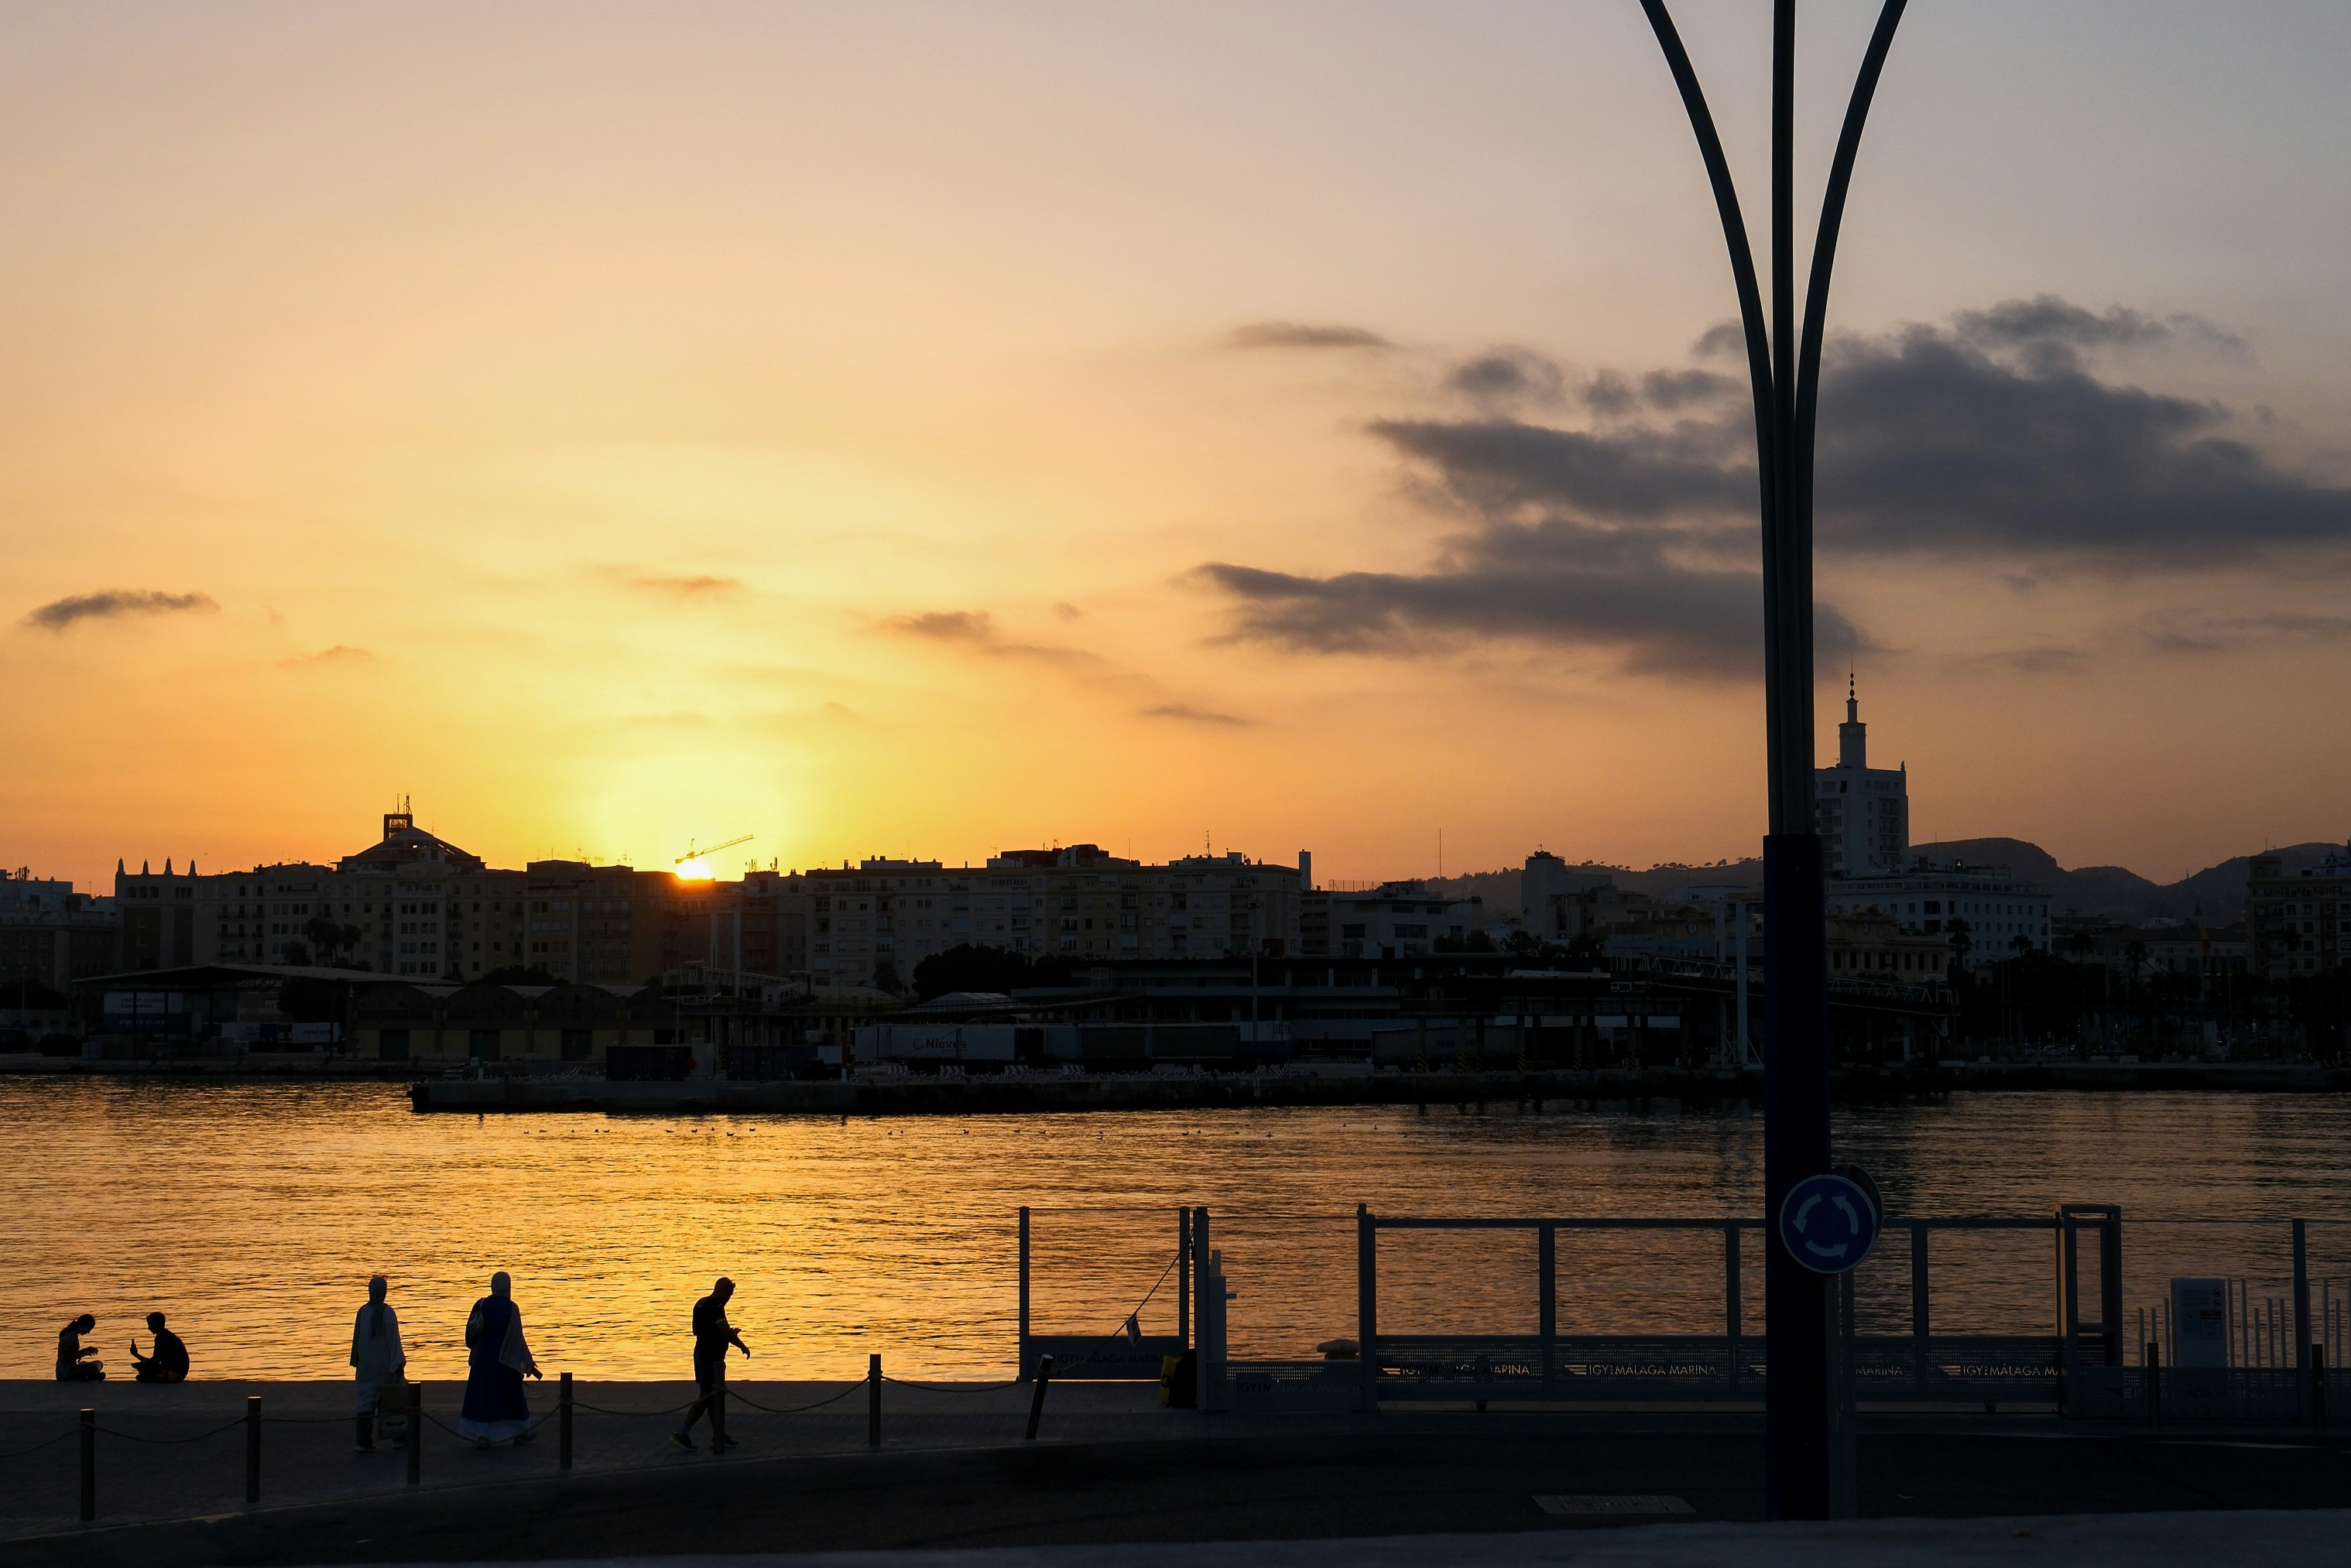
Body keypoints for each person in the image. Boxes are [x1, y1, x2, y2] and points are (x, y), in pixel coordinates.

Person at [458, 1272, 540, 1447]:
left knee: (482, 1398)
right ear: (508, 1287)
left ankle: (482, 1435)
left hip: (483, 1359)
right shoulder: (512, 1308)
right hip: (506, 1360)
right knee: (511, 1399)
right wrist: (528, 1361)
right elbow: (518, 1339)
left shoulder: (480, 1305)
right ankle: (519, 1432)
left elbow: (470, 1336)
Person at [672, 1277, 749, 1451]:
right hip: (711, 1357)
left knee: (715, 1397)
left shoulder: (700, 1303)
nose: (728, 1299)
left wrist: (724, 1333)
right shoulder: (716, 1307)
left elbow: (697, 1331)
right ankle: (681, 1434)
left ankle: (718, 1435)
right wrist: (741, 1345)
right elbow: (725, 1332)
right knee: (707, 1396)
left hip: (701, 1352)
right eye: (729, 1295)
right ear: (723, 1292)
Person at [350, 1276, 406, 1453]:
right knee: (391, 1402)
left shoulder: (362, 1312)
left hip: (365, 1367)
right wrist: (398, 1364)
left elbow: (357, 1341)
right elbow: (394, 1340)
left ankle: (363, 1441)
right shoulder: (387, 1312)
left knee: (365, 1402)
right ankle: (398, 1437)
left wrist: (357, 1362)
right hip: (383, 1366)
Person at [130, 1313, 189, 1383]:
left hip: (176, 1373)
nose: (149, 1328)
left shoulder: (161, 1337)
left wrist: (141, 1364)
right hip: (178, 1371)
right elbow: (155, 1361)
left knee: (142, 1375)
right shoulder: (165, 1334)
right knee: (143, 1371)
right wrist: (136, 1355)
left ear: (155, 1324)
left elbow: (154, 1362)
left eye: (150, 1325)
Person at [56, 1314, 103, 1382]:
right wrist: (83, 1353)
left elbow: (73, 1354)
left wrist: (86, 1350)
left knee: (99, 1364)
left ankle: (88, 1376)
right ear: (84, 1326)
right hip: (65, 1373)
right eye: (89, 1329)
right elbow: (66, 1358)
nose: (88, 1332)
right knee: (93, 1367)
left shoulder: (73, 1335)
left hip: (71, 1368)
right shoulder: (70, 1338)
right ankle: (88, 1376)